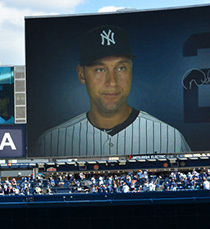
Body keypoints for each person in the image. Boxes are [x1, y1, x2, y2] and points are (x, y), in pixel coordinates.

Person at [35, 25, 191, 157]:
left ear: (131, 71)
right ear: (82, 74)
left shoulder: (170, 137)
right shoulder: (50, 141)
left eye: (121, 68)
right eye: (100, 69)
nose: (112, 81)